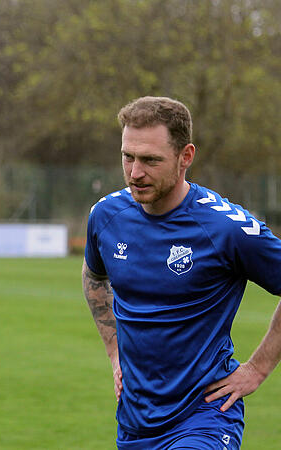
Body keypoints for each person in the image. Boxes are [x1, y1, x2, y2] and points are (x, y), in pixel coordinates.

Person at [83, 96, 281, 449]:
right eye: (128, 157)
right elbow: (94, 277)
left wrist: (258, 367)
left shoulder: (227, 228)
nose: (135, 172)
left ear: (185, 156)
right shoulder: (106, 216)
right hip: (135, 421)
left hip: (204, 416)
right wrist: (115, 353)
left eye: (150, 160)